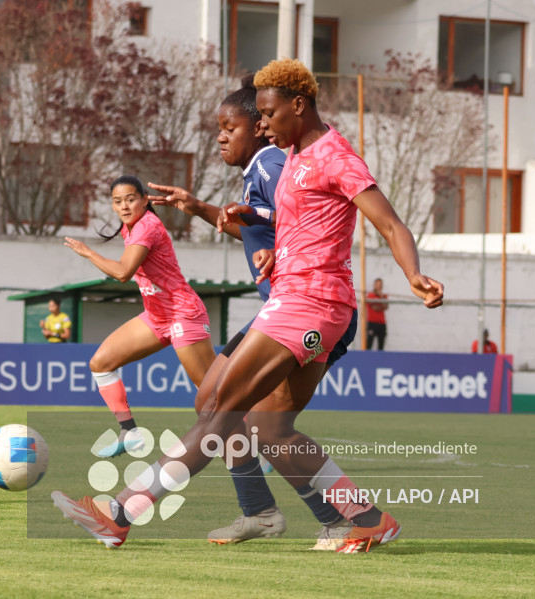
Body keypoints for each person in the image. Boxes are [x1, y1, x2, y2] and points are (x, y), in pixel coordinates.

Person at [51, 58, 443, 554]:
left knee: (220, 409)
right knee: (267, 428)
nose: (263, 125)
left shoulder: (335, 156)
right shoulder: (294, 156)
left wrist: (413, 274)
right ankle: (367, 519)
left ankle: (121, 512)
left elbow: (389, 223)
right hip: (300, 299)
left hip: (310, 303)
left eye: (268, 114)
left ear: (298, 105)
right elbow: (299, 226)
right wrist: (269, 244)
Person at [148, 75, 356, 550]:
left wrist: (270, 235)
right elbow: (259, 230)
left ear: (260, 128)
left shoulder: (271, 162)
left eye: (230, 127)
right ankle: (263, 511)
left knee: (257, 425)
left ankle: (336, 516)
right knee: (219, 408)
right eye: (218, 129)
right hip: (281, 309)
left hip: (306, 308)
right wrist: (201, 208)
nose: (221, 137)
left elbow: (305, 217)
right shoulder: (259, 169)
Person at [64, 175, 216, 458]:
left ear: (145, 200)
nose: (124, 206)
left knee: (212, 396)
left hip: (183, 315)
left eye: (130, 199)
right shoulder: (129, 227)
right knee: (100, 363)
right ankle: (130, 434)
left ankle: (264, 443)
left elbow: (123, 272)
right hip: (156, 317)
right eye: (117, 201)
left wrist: (88, 253)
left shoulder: (147, 225)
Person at [366, 278, 388, 350]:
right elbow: (375, 308)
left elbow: (386, 306)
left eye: (381, 284)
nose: (379, 286)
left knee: (381, 345)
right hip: (372, 323)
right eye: (378, 284)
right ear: (374, 285)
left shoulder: (384, 296)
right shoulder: (370, 295)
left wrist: (381, 297)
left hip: (382, 323)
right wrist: (381, 306)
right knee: (369, 345)